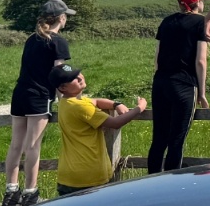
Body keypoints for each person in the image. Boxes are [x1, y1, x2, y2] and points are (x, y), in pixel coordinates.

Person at [2, 0, 76, 206]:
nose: (66, 19)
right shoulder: (58, 41)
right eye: (66, 16)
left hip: (20, 93)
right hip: (39, 96)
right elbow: (59, 74)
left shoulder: (31, 39)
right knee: (33, 145)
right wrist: (65, 100)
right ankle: (30, 191)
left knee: (16, 144)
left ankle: (11, 190)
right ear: (61, 18)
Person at [51, 64, 147, 198]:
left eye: (78, 73)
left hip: (68, 175)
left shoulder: (66, 102)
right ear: (62, 88)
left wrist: (116, 104)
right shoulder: (80, 107)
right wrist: (139, 108)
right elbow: (115, 123)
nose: (79, 77)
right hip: (88, 174)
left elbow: (94, 101)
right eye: (73, 78)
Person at [146, 0, 210, 174]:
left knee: (159, 138)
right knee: (177, 140)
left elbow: (157, 58)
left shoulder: (166, 21)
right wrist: (202, 93)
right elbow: (201, 61)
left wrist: (160, 78)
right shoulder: (200, 23)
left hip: (161, 82)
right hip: (184, 84)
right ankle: (172, 181)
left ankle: (151, 179)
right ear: (197, 2)